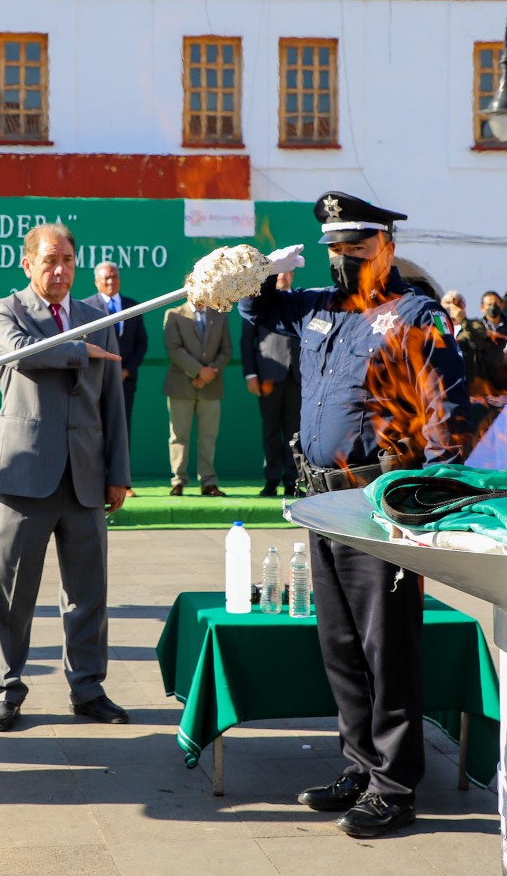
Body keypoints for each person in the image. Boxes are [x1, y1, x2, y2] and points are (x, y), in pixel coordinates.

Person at [239, 190, 477, 839]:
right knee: (341, 646)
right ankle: (361, 765)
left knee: (386, 647)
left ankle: (396, 787)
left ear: (386, 247)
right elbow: (255, 308)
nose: (344, 259)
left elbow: (448, 415)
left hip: (378, 504)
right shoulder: (317, 308)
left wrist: (426, 504)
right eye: (335, 250)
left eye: (357, 248)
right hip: (322, 501)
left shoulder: (413, 314)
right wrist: (258, 270)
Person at [0, 222, 131, 733]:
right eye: (49, 260)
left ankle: (88, 688)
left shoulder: (98, 318)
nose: (60, 270)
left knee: (88, 592)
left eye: (67, 259)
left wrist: (119, 473)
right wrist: (80, 351)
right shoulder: (5, 310)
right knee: (13, 590)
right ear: (28, 264)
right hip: (26, 475)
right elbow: (19, 353)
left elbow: (113, 403)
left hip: (86, 475)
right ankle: (6, 689)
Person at [84, 262, 147, 491]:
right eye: (106, 278)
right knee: (94, 428)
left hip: (125, 382)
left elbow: (141, 343)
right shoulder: (85, 307)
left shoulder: (132, 306)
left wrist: (126, 369)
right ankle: (93, 480)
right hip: (95, 382)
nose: (111, 281)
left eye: (114, 277)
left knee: (121, 429)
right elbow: (84, 345)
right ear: (96, 281)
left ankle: (121, 482)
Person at [161, 296, 231, 496]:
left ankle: (208, 482)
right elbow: (174, 349)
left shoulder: (220, 315)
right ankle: (178, 482)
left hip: (211, 386)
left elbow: (226, 351)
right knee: (178, 436)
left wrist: (210, 373)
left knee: (208, 437)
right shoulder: (173, 314)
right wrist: (199, 371)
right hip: (181, 386)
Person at [240, 270, 301, 497]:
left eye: (287, 271)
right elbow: (247, 340)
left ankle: (293, 481)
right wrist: (250, 375)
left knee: (295, 433)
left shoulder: (301, 301)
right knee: (271, 431)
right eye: (279, 271)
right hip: (268, 377)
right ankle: (271, 480)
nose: (283, 276)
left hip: (298, 377)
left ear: (293, 275)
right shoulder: (261, 302)